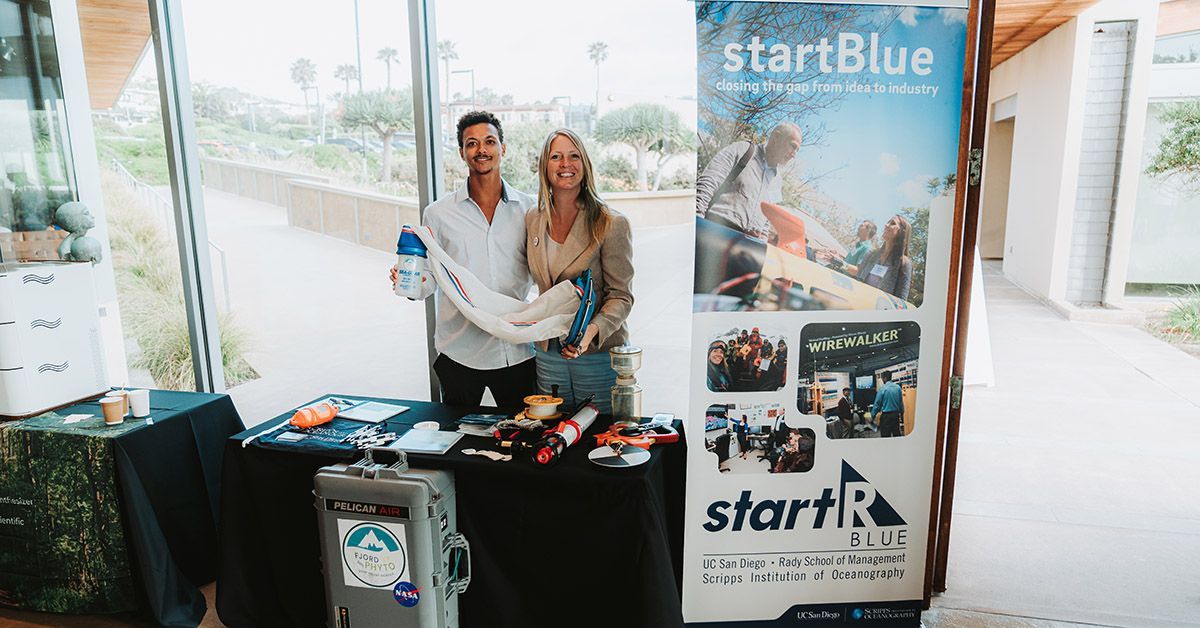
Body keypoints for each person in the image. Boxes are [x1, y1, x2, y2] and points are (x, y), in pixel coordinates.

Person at [389, 111, 536, 409]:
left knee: (523, 441)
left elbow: (545, 269)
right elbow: (431, 279)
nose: (481, 150)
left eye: (489, 141)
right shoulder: (438, 214)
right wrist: (410, 280)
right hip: (459, 351)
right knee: (457, 445)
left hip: (518, 349)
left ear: (503, 148)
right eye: (472, 143)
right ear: (462, 153)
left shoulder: (530, 209)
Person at [525, 128, 634, 413]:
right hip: (548, 353)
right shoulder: (533, 219)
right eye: (556, 157)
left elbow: (621, 296)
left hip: (597, 353)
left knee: (598, 441)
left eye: (574, 156)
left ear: (584, 164)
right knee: (553, 434)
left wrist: (587, 335)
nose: (565, 164)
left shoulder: (610, 222)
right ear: (544, 166)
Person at [695, 122, 803, 241]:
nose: (794, 155)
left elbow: (767, 220)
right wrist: (696, 221)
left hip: (747, 246)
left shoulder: (777, 182)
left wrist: (761, 243)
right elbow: (708, 182)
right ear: (777, 137)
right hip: (713, 232)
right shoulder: (742, 150)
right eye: (793, 146)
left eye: (797, 150)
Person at [855, 215, 913, 301]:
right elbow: (857, 281)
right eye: (888, 222)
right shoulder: (870, 254)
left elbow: (901, 300)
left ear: (901, 232)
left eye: (892, 223)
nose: (886, 225)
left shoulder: (904, 263)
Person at [875, 370, 905, 438]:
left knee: (886, 437)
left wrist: (873, 415)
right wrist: (901, 413)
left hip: (886, 416)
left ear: (885, 378)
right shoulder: (898, 388)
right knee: (896, 435)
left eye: (882, 378)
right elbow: (900, 403)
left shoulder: (882, 389)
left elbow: (877, 404)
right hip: (895, 415)